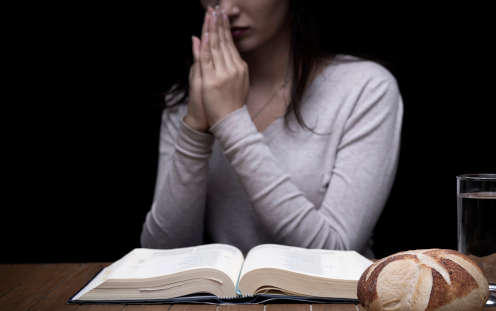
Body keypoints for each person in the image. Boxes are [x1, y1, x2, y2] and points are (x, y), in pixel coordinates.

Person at [140, 0, 403, 259]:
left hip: (330, 301)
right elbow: (160, 255)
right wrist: (195, 130)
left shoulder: (365, 89)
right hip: (222, 299)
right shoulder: (190, 96)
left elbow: (336, 252)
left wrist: (232, 121)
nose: (229, 9)